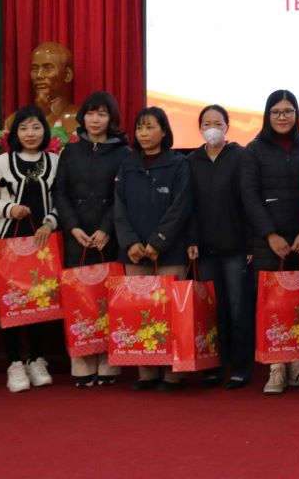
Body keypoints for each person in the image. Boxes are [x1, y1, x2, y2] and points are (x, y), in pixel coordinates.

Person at [241, 90, 299, 394]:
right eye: (276, 111)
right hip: (268, 241)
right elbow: (249, 197)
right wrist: (270, 234)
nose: (282, 117)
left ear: (297, 114)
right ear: (267, 115)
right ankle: (276, 369)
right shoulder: (253, 150)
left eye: (288, 111)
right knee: (273, 305)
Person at [113, 106, 194, 391]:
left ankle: (173, 372)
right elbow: (119, 208)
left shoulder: (179, 163)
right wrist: (131, 242)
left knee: (171, 310)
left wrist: (158, 241)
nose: (144, 133)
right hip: (134, 250)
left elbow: (181, 208)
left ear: (164, 131)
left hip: (169, 249)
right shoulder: (128, 164)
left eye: (150, 127)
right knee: (140, 309)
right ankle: (146, 371)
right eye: (139, 128)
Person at [53, 90, 129, 387]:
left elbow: (122, 195)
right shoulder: (70, 151)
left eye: (102, 114)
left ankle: (108, 363)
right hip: (77, 235)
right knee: (80, 299)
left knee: (107, 298)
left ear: (111, 119)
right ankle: (83, 364)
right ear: (82, 117)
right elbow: (60, 192)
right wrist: (72, 227)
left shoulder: (123, 153)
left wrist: (106, 228)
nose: (96, 119)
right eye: (91, 113)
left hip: (107, 235)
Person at [0, 104, 61, 394]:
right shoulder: (1, 162)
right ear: (15, 132)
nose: (30, 133)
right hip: (8, 241)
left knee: (41, 303)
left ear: (45, 131)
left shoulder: (55, 162)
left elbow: (61, 201)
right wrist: (9, 208)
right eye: (24, 128)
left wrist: (50, 222)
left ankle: (37, 360)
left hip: (43, 242)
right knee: (12, 303)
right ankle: (14, 363)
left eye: (36, 127)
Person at [188, 104, 253, 389]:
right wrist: (190, 240)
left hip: (236, 247)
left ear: (227, 126)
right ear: (200, 127)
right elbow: (186, 205)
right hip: (204, 248)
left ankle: (240, 367)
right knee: (211, 311)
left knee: (239, 309)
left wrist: (251, 241)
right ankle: (213, 366)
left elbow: (249, 201)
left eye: (218, 122)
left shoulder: (241, 156)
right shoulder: (191, 160)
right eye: (207, 123)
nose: (212, 127)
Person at [3, 41, 80, 134]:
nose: (39, 75)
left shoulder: (81, 119)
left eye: (48, 68)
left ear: (67, 75)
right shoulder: (13, 121)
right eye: (35, 69)